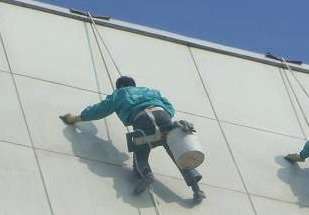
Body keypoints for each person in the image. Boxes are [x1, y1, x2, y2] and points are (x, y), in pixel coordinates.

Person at [60, 76, 206, 202]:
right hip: (162, 115)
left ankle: (146, 174)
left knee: (140, 151)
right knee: (177, 151)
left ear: (119, 86)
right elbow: (170, 108)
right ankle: (196, 189)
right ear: (133, 85)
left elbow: (100, 110)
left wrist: (78, 118)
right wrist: (164, 118)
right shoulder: (150, 91)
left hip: (142, 120)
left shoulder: (119, 93)